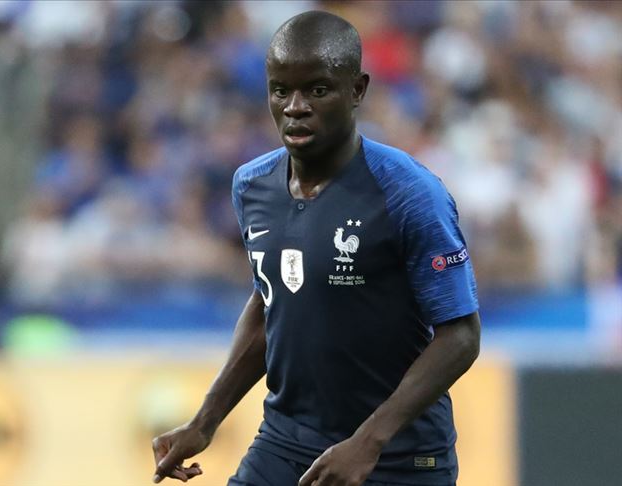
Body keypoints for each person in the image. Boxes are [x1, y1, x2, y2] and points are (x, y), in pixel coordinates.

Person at [151, 11, 480, 486]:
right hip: (285, 443)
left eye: (317, 90)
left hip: (397, 458)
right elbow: (271, 303)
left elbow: (461, 335)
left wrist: (368, 442)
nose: (295, 107)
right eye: (280, 90)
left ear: (357, 90)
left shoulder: (409, 193)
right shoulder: (252, 186)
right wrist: (205, 421)